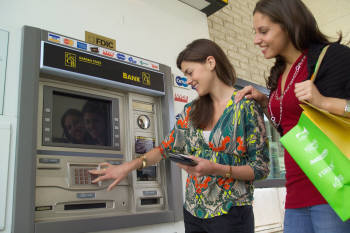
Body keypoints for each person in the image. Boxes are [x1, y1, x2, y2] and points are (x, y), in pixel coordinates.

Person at [89, 39, 270, 233]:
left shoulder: (245, 106)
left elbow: (260, 168)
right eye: (185, 75)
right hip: (193, 213)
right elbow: (164, 150)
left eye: (190, 73)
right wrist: (126, 167)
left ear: (210, 62)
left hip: (231, 215)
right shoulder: (191, 111)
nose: (188, 80)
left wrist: (216, 169)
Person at [234, 0, 350, 232]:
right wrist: (265, 101)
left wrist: (324, 102)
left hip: (333, 189)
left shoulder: (331, 57)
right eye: (255, 32)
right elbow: (288, 130)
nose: (256, 40)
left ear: (288, 24)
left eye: (263, 31)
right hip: (296, 193)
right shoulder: (279, 74)